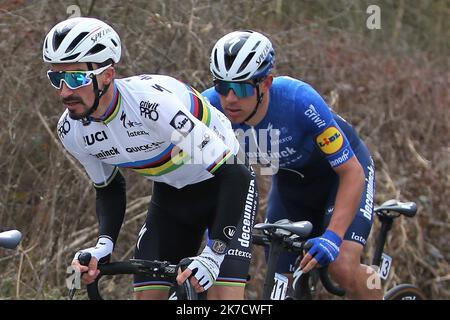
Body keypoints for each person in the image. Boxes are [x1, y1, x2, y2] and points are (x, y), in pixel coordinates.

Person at [42, 18, 258, 300]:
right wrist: (104, 245)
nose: (65, 92)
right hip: (171, 196)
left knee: (222, 298)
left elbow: (235, 174)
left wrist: (214, 254)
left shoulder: (151, 109)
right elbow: (107, 187)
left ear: (108, 75)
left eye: (76, 78)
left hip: (225, 188)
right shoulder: (72, 130)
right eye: (57, 78)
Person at [202, 30, 382, 299]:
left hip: (341, 176)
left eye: (241, 87)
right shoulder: (209, 109)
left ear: (266, 83)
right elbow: (204, 181)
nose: (230, 98)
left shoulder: (299, 101)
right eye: (222, 86)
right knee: (280, 283)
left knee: (342, 266)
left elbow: (351, 172)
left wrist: (333, 236)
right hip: (290, 185)